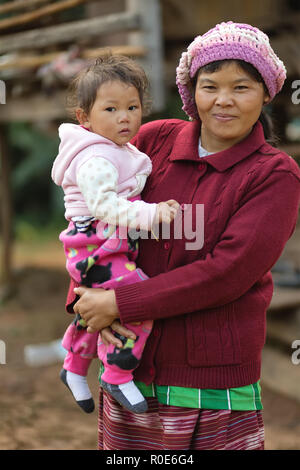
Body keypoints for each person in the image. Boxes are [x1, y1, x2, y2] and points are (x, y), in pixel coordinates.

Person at [70, 22, 300, 450]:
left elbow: (227, 273)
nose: (223, 100)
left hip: (211, 384)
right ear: (191, 90)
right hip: (130, 373)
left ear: (267, 93)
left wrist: (118, 303)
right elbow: (89, 214)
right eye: (210, 86)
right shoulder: (153, 141)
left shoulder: (274, 176)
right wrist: (85, 300)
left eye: (242, 87)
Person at [51, 54, 179, 414]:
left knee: (97, 308)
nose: (124, 117)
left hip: (100, 248)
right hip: (95, 248)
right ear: (84, 117)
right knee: (138, 301)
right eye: (110, 109)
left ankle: (74, 367)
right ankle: (117, 374)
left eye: (132, 106)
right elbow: (106, 206)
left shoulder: (119, 150)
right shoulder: (96, 159)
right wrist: (154, 213)